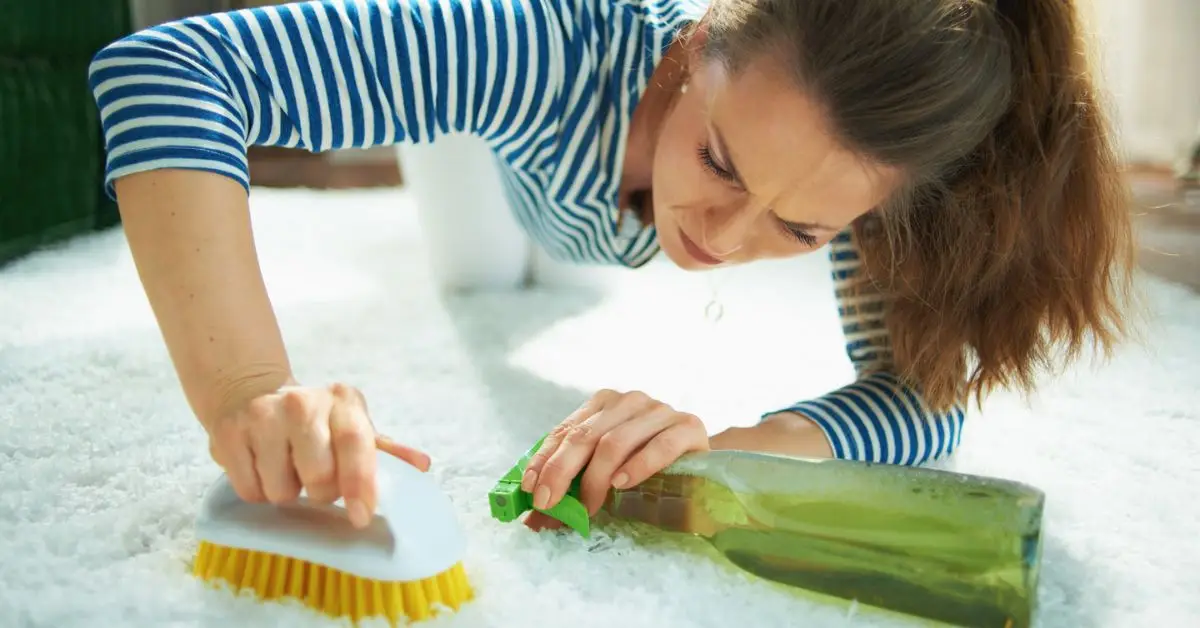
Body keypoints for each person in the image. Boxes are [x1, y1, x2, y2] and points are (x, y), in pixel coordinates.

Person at [87, 0, 1133, 530]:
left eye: (801, 230)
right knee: (481, 287)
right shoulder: (534, 52)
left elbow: (929, 399)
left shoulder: (855, 163)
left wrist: (730, 446)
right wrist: (247, 389)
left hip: (598, 209)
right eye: (720, 160)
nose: (722, 239)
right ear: (695, 46)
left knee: (565, 272)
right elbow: (166, 69)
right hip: (497, 132)